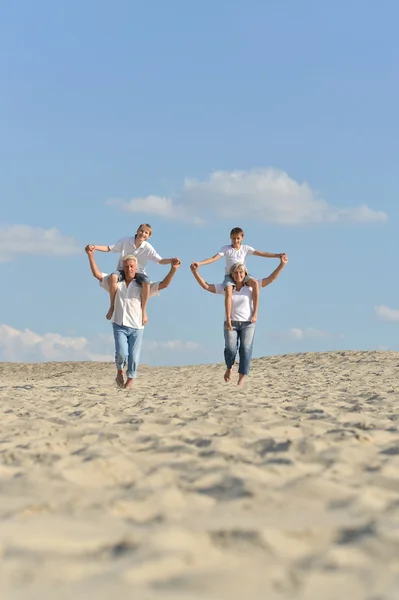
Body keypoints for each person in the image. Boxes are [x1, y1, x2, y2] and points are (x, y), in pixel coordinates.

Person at [86, 245, 181, 389]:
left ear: (136, 268)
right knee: (122, 354)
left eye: (132, 266)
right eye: (126, 266)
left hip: (137, 326)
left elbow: (163, 284)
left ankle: (129, 382)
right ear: (123, 268)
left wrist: (173, 269)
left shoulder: (142, 286)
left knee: (134, 357)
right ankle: (119, 372)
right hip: (119, 324)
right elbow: (97, 274)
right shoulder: (117, 284)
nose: (129, 269)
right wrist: (91, 255)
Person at [190, 255, 288, 386]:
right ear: (231, 275)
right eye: (235, 273)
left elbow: (270, 279)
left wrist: (282, 264)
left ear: (245, 273)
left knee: (246, 349)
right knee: (231, 349)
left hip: (248, 323)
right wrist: (195, 272)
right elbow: (206, 286)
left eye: (241, 272)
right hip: (231, 323)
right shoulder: (226, 288)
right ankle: (229, 367)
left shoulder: (251, 287)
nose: (238, 275)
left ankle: (241, 377)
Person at [190, 227, 285, 331]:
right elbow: (214, 258)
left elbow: (262, 253)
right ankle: (229, 319)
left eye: (237, 238)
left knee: (254, 283)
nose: (235, 241)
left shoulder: (245, 249)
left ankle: (255, 312)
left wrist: (277, 255)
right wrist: (199, 263)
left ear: (242, 238)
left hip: (243, 273)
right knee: (229, 289)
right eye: (233, 239)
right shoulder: (226, 249)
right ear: (230, 238)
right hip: (229, 276)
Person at [86, 223, 178, 325]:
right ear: (137, 231)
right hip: (122, 270)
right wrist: (94, 247)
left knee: (146, 282)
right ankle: (112, 306)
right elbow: (109, 248)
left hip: (139, 272)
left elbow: (159, 260)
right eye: (141, 231)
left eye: (146, 233)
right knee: (113, 277)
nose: (143, 233)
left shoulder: (148, 247)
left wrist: (171, 261)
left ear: (148, 236)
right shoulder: (126, 241)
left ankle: (144, 311)